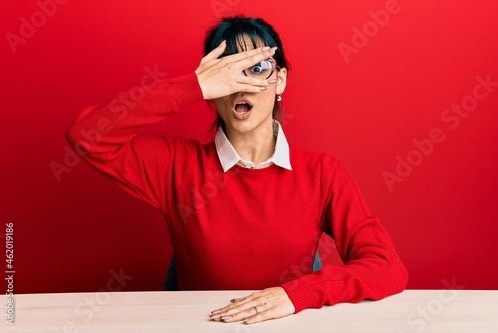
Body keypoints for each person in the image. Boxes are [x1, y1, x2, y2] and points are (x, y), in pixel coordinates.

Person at [66, 16, 408, 325]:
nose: (241, 85)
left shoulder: (322, 173)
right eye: (228, 73)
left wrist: (294, 294)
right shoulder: (179, 166)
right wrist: (192, 87)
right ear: (212, 91)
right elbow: (87, 136)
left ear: (281, 81)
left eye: (258, 68)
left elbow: (387, 267)